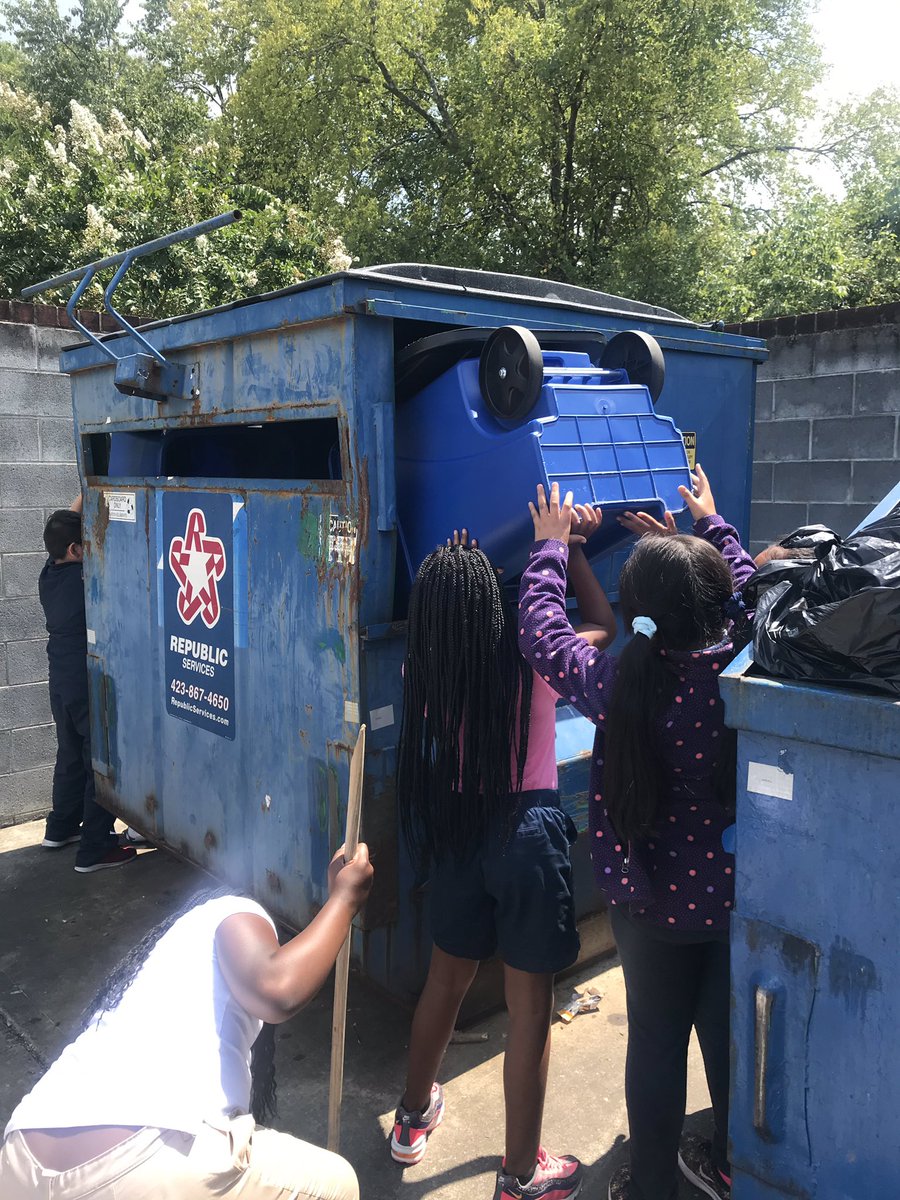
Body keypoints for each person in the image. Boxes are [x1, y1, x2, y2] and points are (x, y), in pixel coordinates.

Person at [518, 469, 757, 1200]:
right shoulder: (747, 663)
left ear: (638, 614)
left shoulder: (621, 685)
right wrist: (709, 530)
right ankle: (726, 1162)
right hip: (731, 895)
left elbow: (543, 631)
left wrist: (551, 547)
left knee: (655, 1044)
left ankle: (651, 1184)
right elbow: (753, 593)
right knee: (725, 1039)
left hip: (648, 902)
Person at [391, 526, 616, 1200]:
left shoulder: (425, 670)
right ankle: (520, 1176)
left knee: (445, 982)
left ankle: (409, 1120)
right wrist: (568, 547)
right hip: (529, 834)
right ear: (498, 604)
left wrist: (456, 567)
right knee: (528, 1010)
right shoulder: (536, 662)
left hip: (461, 829)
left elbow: (454, 614)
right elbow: (602, 623)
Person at [0, 842, 374, 1199]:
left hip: (20, 1156)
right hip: (136, 1159)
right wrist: (343, 900)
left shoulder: (160, 965)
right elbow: (277, 989)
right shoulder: (233, 912)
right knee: (336, 1184)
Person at [39, 494, 136, 872]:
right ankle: (95, 848)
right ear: (77, 549)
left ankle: (60, 828)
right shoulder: (85, 582)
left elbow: (64, 527)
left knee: (70, 753)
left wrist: (85, 492)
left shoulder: (50, 572)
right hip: (83, 681)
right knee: (99, 759)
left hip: (59, 681)